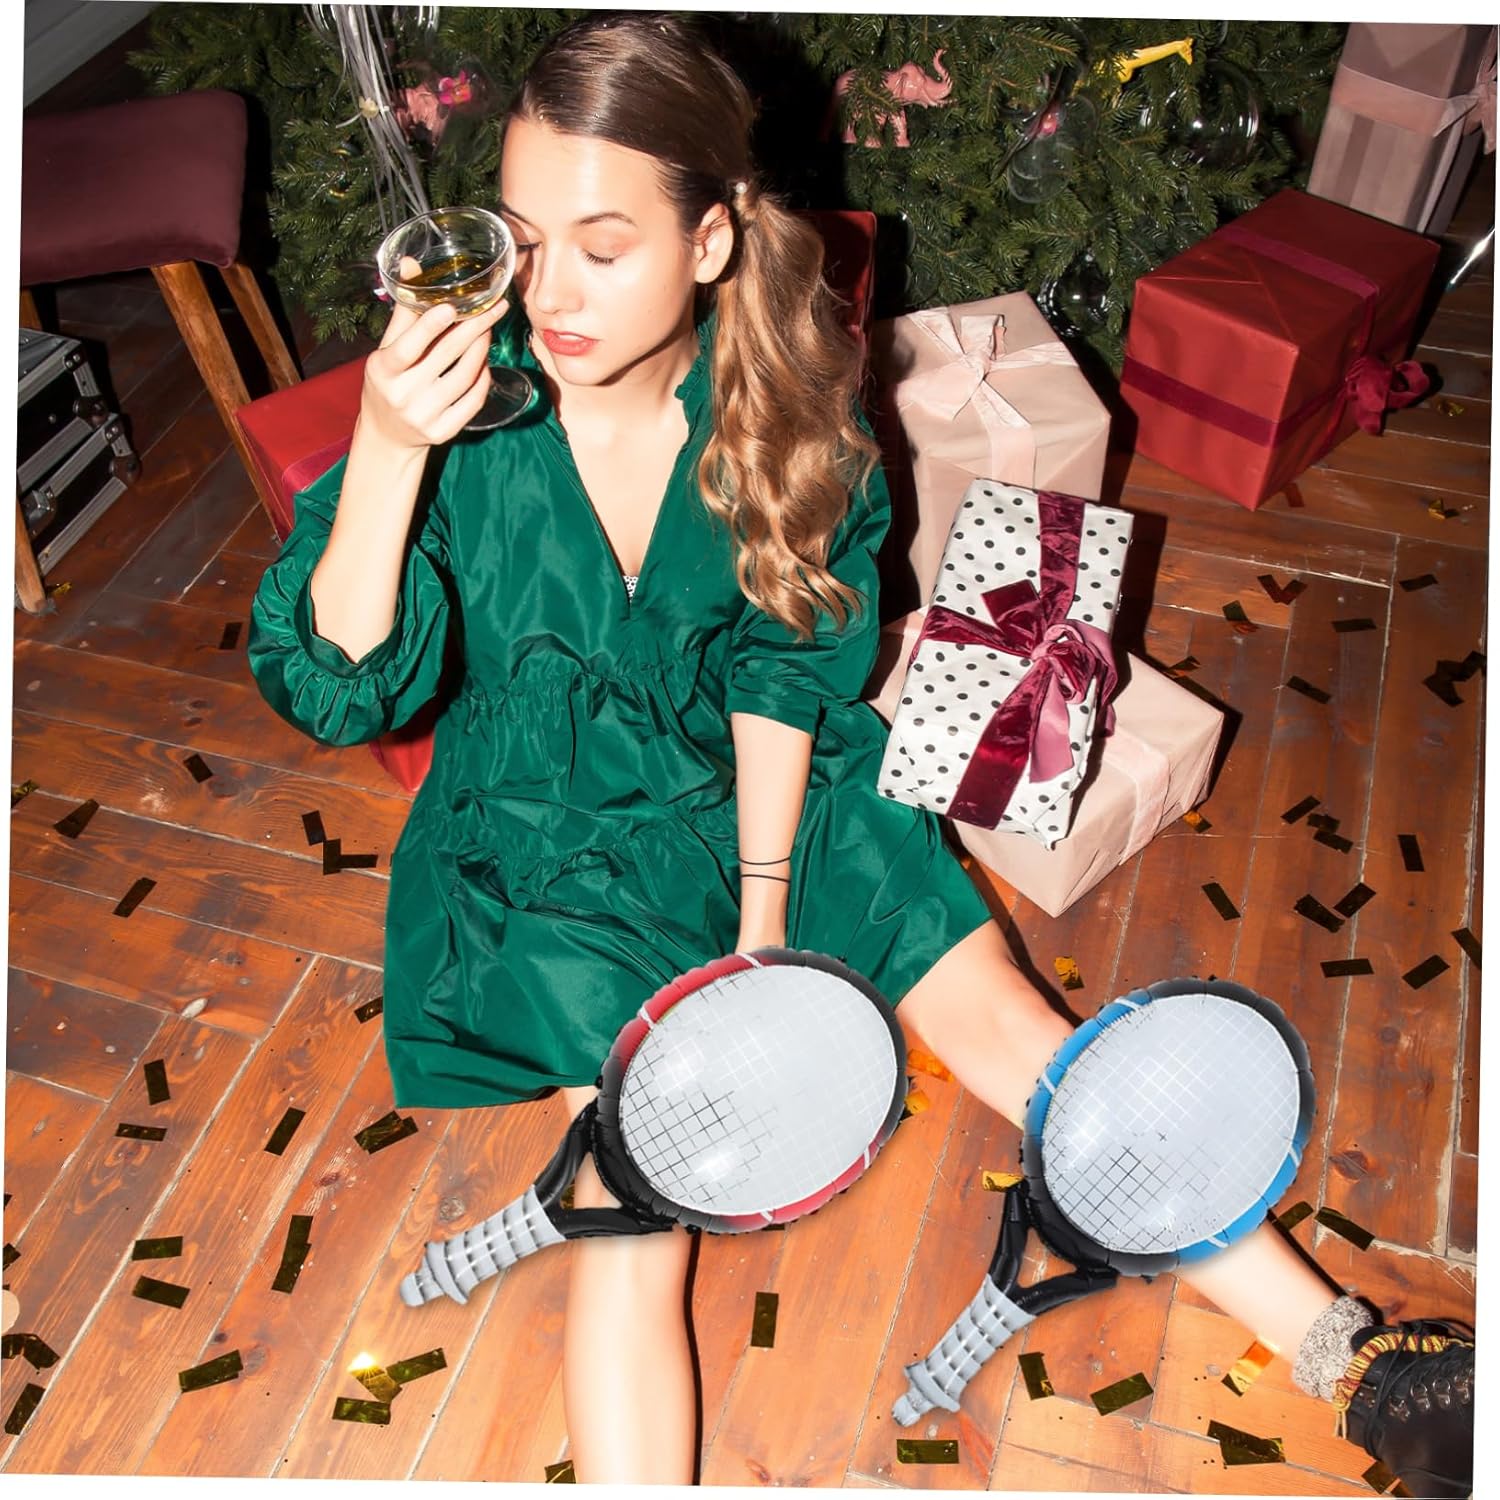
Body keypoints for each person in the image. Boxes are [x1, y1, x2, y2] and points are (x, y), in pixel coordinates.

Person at [248, 13, 1475, 1493]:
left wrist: (763, 928)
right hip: (552, 834)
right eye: (522, 240)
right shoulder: (464, 408)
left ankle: (1375, 1369)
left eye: (604, 246)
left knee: (1026, 1040)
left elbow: (787, 665)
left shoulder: (780, 392)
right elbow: (340, 691)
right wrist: (388, 448)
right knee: (637, 1217)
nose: (548, 294)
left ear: (708, 242)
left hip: (773, 783)